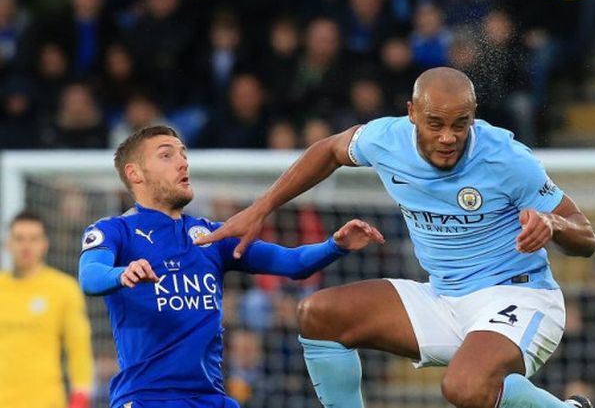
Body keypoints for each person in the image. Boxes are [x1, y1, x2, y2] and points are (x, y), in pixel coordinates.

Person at [197, 67, 595, 408]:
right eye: (435, 124)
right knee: (318, 315)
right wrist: (262, 207)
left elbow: (586, 235)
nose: (448, 137)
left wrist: (555, 225)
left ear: (473, 117)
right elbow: (329, 150)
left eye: (460, 124)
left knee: (464, 387)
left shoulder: (507, 158)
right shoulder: (385, 139)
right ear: (412, 114)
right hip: (443, 298)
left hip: (519, 297)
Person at [77, 125, 383, 408]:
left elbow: (292, 263)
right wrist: (122, 273)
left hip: (212, 399)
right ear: (135, 174)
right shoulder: (116, 231)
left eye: (183, 153)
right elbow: (90, 276)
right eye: (167, 156)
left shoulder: (212, 235)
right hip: (148, 398)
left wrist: (335, 245)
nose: (183, 162)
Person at [0, 211, 93, 408]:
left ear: (44, 244)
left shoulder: (63, 289)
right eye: (19, 239)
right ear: (8, 243)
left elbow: (78, 349)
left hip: (46, 401)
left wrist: (80, 396)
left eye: (33, 239)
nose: (26, 246)